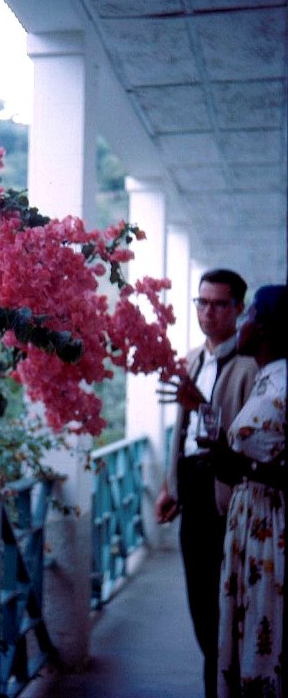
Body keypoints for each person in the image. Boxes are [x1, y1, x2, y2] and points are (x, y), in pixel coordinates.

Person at [155, 268, 258, 698]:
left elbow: (246, 441)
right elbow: (179, 432)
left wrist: (201, 405)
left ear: (238, 309)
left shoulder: (252, 367)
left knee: (227, 604)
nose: (208, 312)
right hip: (193, 489)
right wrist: (170, 487)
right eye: (202, 302)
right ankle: (215, 677)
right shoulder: (193, 358)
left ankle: (221, 684)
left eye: (219, 304)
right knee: (199, 599)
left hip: (229, 495)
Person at [204, 284, 287, 697]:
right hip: (250, 526)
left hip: (272, 531)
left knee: (264, 637)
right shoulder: (265, 380)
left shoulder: (284, 385)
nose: (241, 324)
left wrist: (242, 466)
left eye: (249, 315)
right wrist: (227, 457)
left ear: (266, 327)